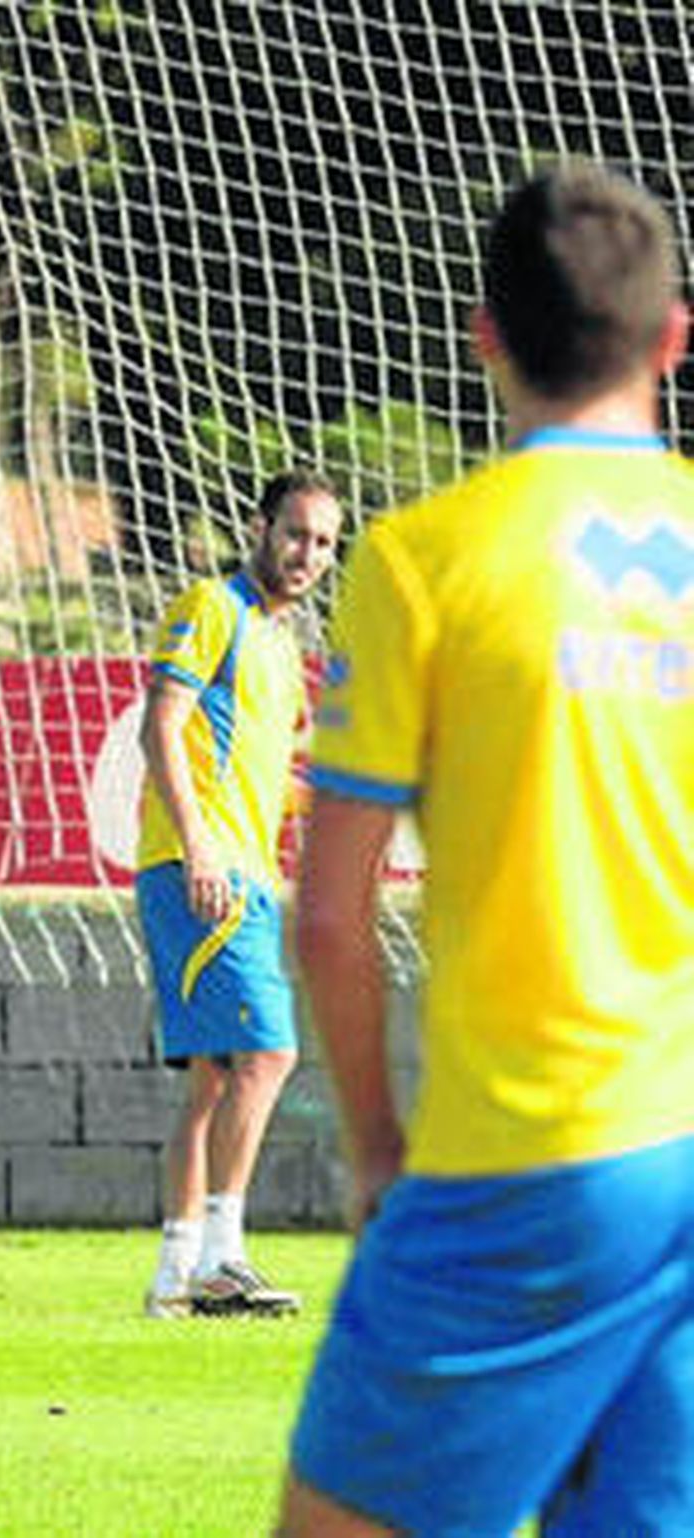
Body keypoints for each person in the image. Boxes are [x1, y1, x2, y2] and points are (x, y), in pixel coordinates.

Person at [279, 163, 694, 1535]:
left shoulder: (424, 560)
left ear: (486, 337)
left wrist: (375, 1149)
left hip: (531, 1159)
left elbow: (334, 917)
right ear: (673, 336)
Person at [136, 471, 342, 1319]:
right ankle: (224, 1259)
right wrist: (198, 847)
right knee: (269, 1055)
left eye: (325, 543)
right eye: (295, 534)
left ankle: (176, 1275)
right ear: (259, 526)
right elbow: (162, 723)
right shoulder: (212, 607)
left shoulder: (283, 645)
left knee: (216, 1081)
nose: (307, 555)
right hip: (207, 871)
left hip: (241, 866)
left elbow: (255, 771)